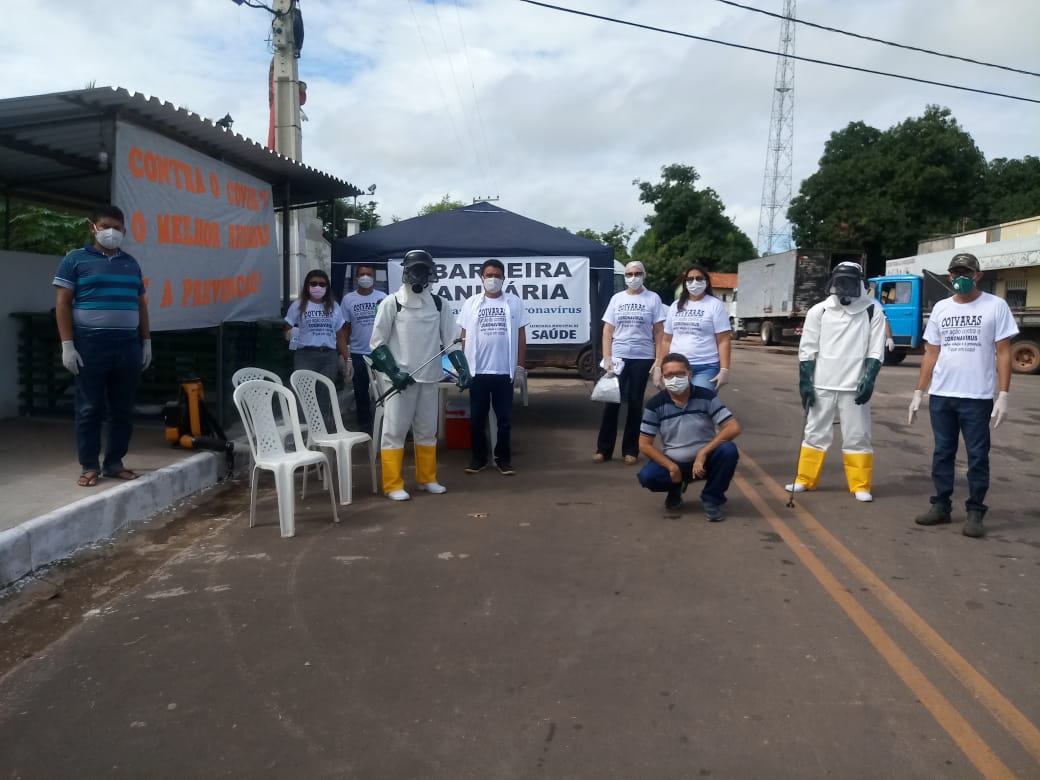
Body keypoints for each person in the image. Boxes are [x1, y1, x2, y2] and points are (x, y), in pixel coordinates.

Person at [909, 252, 1018, 538]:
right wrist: (919, 391)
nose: (961, 278)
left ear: (978, 276)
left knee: (978, 456)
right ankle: (941, 506)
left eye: (966, 274)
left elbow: (1003, 352)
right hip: (942, 395)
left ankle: (975, 511)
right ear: (949, 277)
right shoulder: (941, 309)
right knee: (943, 452)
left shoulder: (995, 306)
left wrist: (1003, 394)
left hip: (976, 396)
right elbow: (931, 353)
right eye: (956, 274)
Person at [53, 205, 151, 487]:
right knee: (89, 408)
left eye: (117, 228)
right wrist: (67, 345)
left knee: (123, 408)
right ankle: (89, 465)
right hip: (91, 344)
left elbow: (140, 305)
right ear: (92, 227)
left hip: (127, 345)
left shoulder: (131, 263)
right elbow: (62, 303)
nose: (111, 232)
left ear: (124, 231)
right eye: (105, 226)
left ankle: (114, 462)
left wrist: (146, 341)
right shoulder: (75, 260)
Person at [369, 249, 471, 501]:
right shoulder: (390, 303)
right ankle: (392, 484)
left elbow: (451, 341)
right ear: (405, 271)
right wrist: (394, 371)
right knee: (395, 432)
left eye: (423, 270)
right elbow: (377, 345)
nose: (418, 274)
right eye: (414, 269)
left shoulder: (439, 304)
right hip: (400, 380)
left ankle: (427, 478)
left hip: (430, 377)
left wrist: (462, 368)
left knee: (427, 431)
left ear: (430, 273)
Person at [786, 261, 886, 502]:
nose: (844, 288)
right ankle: (804, 479)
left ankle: (860, 484)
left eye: (849, 282)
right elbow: (807, 349)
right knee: (814, 432)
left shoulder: (872, 310)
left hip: (854, 385)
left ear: (860, 283)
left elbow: (875, 350)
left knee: (858, 434)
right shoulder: (818, 311)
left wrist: (869, 379)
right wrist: (805, 383)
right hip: (822, 383)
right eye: (840, 282)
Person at [637, 352, 741, 520]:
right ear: (663, 378)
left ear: (689, 374)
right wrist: (671, 467)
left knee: (728, 450)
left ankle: (712, 499)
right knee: (648, 477)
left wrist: (703, 452)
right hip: (675, 461)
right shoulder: (655, 405)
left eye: (680, 373)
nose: (675, 379)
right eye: (669, 375)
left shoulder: (705, 396)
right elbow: (644, 444)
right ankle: (676, 486)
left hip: (705, 461)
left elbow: (733, 427)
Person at [457, 258, 529, 476]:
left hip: (503, 372)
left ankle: (503, 460)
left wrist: (519, 367)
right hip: (478, 372)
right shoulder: (471, 303)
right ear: (481, 278)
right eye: (489, 275)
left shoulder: (514, 303)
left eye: (497, 275)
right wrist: (462, 367)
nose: (493, 279)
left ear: (504, 279)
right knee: (477, 419)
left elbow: (521, 336)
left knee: (504, 420)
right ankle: (478, 458)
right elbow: (463, 336)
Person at [594, 260, 665, 465]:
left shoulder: (653, 298)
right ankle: (603, 450)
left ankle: (630, 450)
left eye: (637, 273)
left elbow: (659, 331)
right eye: (629, 274)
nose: (633, 278)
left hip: (642, 357)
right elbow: (608, 330)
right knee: (612, 402)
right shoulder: (617, 298)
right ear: (624, 277)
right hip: (619, 356)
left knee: (635, 403)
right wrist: (607, 357)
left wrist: (658, 361)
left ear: (644, 275)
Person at [283, 269, 350, 429]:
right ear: (307, 286)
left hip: (328, 357)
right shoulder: (298, 305)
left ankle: (323, 432)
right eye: (313, 284)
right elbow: (288, 327)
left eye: (322, 284)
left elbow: (340, 335)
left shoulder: (333, 306)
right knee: (304, 395)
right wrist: (290, 336)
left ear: (327, 287)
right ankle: (305, 431)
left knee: (325, 396)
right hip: (305, 355)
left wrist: (347, 358)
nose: (317, 287)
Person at [654, 263, 731, 391]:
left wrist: (724, 369)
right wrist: (658, 367)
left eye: (699, 278)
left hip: (705, 367)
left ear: (706, 282)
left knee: (699, 404)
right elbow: (666, 340)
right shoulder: (675, 306)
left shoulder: (715, 305)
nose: (694, 282)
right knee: (677, 404)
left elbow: (723, 340)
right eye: (690, 279)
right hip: (676, 366)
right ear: (685, 283)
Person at [340, 264, 387, 435]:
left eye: (368, 274)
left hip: (380, 351)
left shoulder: (383, 297)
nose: (365, 277)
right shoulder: (348, 299)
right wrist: (347, 357)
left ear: (374, 278)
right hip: (358, 352)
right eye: (362, 274)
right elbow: (345, 328)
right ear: (356, 278)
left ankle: (390, 426)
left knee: (387, 389)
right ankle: (366, 428)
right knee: (361, 392)